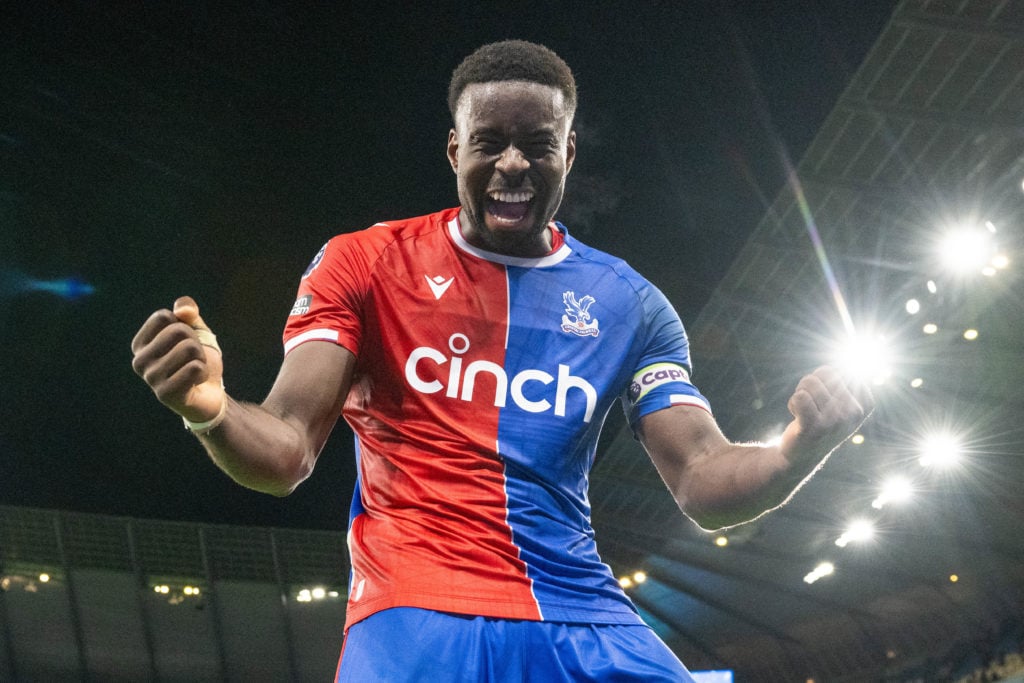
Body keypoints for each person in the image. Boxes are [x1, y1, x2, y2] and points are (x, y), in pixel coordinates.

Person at [131, 40, 870, 682]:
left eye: (538, 144)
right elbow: (288, 449)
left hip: (582, 612)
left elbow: (703, 479)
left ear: (568, 153)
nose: (513, 163)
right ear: (455, 149)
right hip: (418, 609)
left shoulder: (630, 304)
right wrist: (213, 411)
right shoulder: (364, 264)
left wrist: (800, 447)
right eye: (488, 142)